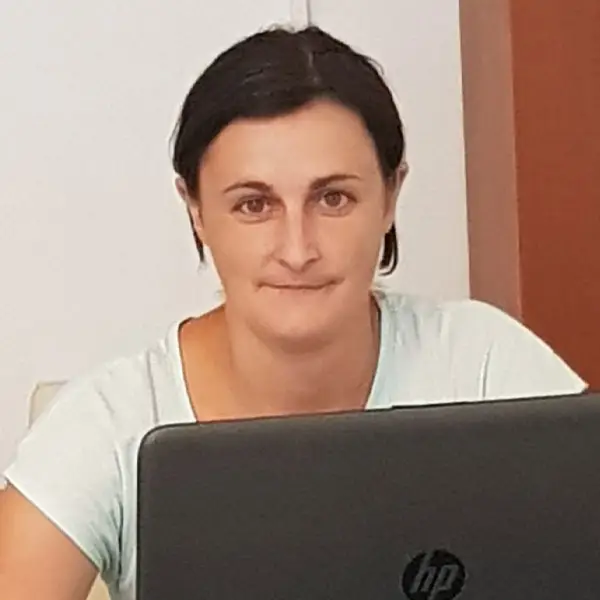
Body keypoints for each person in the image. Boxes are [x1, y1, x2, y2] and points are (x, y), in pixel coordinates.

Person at [0, 24, 586, 600]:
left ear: (390, 196)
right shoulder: (110, 425)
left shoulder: (486, 366)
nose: (298, 250)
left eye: (333, 199)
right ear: (196, 211)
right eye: (254, 205)